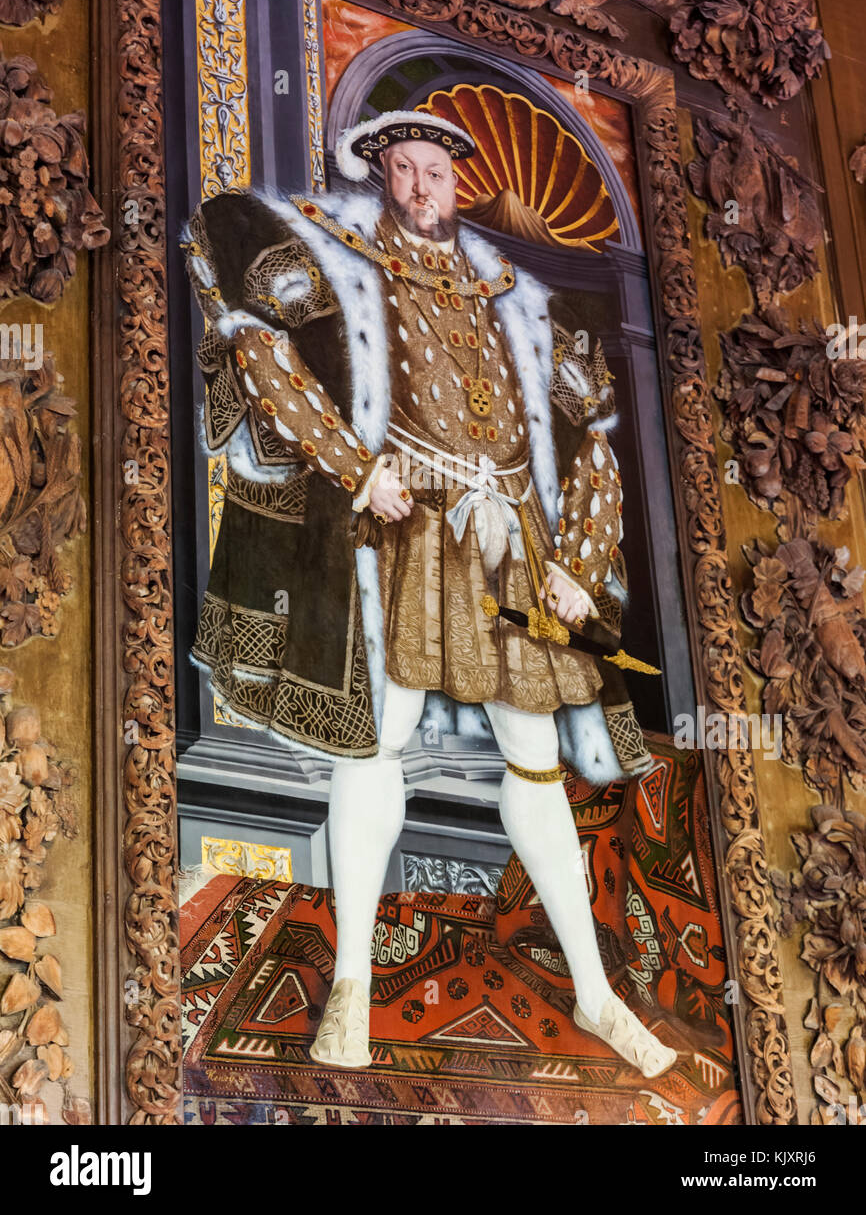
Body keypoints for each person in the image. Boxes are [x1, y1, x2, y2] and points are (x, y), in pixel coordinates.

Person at [183, 108, 676, 1080]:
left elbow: (595, 438)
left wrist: (575, 560)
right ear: (380, 177)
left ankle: (592, 992)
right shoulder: (339, 262)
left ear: (458, 182)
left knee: (533, 754)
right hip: (407, 521)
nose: (419, 187)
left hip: (511, 533)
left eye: (435, 171)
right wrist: (353, 468)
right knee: (381, 736)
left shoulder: (517, 293)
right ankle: (353, 988)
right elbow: (252, 340)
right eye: (402, 169)